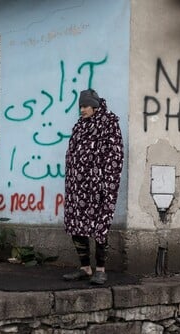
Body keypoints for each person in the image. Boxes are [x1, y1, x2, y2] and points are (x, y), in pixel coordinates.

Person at [62, 89, 124, 285]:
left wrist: (105, 181)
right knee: (76, 224)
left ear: (95, 106)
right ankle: (85, 268)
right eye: (80, 106)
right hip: (77, 185)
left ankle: (100, 269)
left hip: (99, 185)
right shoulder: (79, 126)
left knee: (99, 225)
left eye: (85, 106)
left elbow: (115, 154)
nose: (82, 110)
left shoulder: (109, 123)